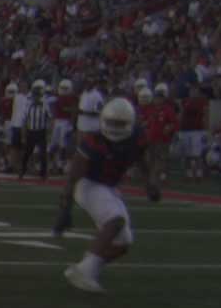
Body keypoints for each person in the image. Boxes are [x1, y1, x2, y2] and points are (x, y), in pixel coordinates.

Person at [55, 99, 161, 292]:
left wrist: (149, 183)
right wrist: (65, 208)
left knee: (123, 243)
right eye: (112, 123)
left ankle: (84, 269)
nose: (115, 128)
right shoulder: (93, 141)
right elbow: (73, 177)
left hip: (108, 187)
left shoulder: (137, 137)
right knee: (115, 220)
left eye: (120, 124)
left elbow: (143, 159)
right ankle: (85, 272)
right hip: (88, 184)